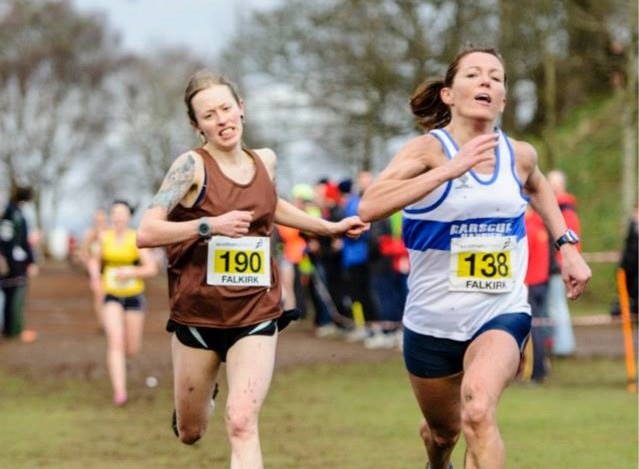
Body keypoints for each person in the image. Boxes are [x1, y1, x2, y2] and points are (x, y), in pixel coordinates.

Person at [358, 46, 591, 469]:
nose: (486, 81)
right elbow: (369, 206)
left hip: (500, 311)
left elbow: (538, 187)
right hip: (431, 320)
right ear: (448, 94)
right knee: (443, 432)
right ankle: (436, 459)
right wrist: (448, 170)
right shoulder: (425, 152)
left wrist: (568, 248)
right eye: (474, 74)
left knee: (479, 412)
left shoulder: (519, 155)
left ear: (502, 98)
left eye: (496, 77)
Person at [135, 69, 367, 469]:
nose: (221, 119)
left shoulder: (266, 161)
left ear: (241, 109)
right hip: (198, 314)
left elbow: (271, 205)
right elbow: (147, 231)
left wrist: (328, 228)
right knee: (191, 433)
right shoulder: (191, 167)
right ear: (197, 126)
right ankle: (201, 397)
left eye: (226, 108)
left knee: (242, 421)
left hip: (255, 312)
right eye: (209, 115)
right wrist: (209, 225)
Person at [87, 200, 158, 406]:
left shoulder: (135, 238)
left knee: (131, 348)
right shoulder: (104, 237)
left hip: (134, 296)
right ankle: (120, 392)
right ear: (111, 216)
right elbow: (94, 260)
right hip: (111, 295)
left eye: (122, 213)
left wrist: (131, 271)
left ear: (129, 217)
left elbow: (151, 268)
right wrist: (95, 276)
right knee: (115, 341)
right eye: (115, 213)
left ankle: (122, 364)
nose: (118, 217)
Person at [546, 169, 580, 356]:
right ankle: (557, 344)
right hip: (554, 266)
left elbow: (570, 241)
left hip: (557, 267)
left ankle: (563, 346)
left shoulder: (564, 212)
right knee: (555, 307)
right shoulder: (564, 209)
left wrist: (563, 263)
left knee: (557, 307)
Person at [0, 186, 39, 342]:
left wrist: (29, 259)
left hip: (16, 262)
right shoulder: (11, 213)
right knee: (14, 293)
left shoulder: (16, 212)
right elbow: (9, 239)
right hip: (12, 263)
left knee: (12, 293)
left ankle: (12, 329)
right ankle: (13, 330)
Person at [80, 208, 109, 330]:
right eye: (97, 219)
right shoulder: (89, 234)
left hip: (109, 269)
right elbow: (83, 252)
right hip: (95, 270)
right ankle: (101, 323)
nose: (99, 221)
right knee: (99, 296)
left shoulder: (110, 232)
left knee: (109, 295)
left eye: (101, 219)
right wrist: (89, 265)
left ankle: (110, 320)